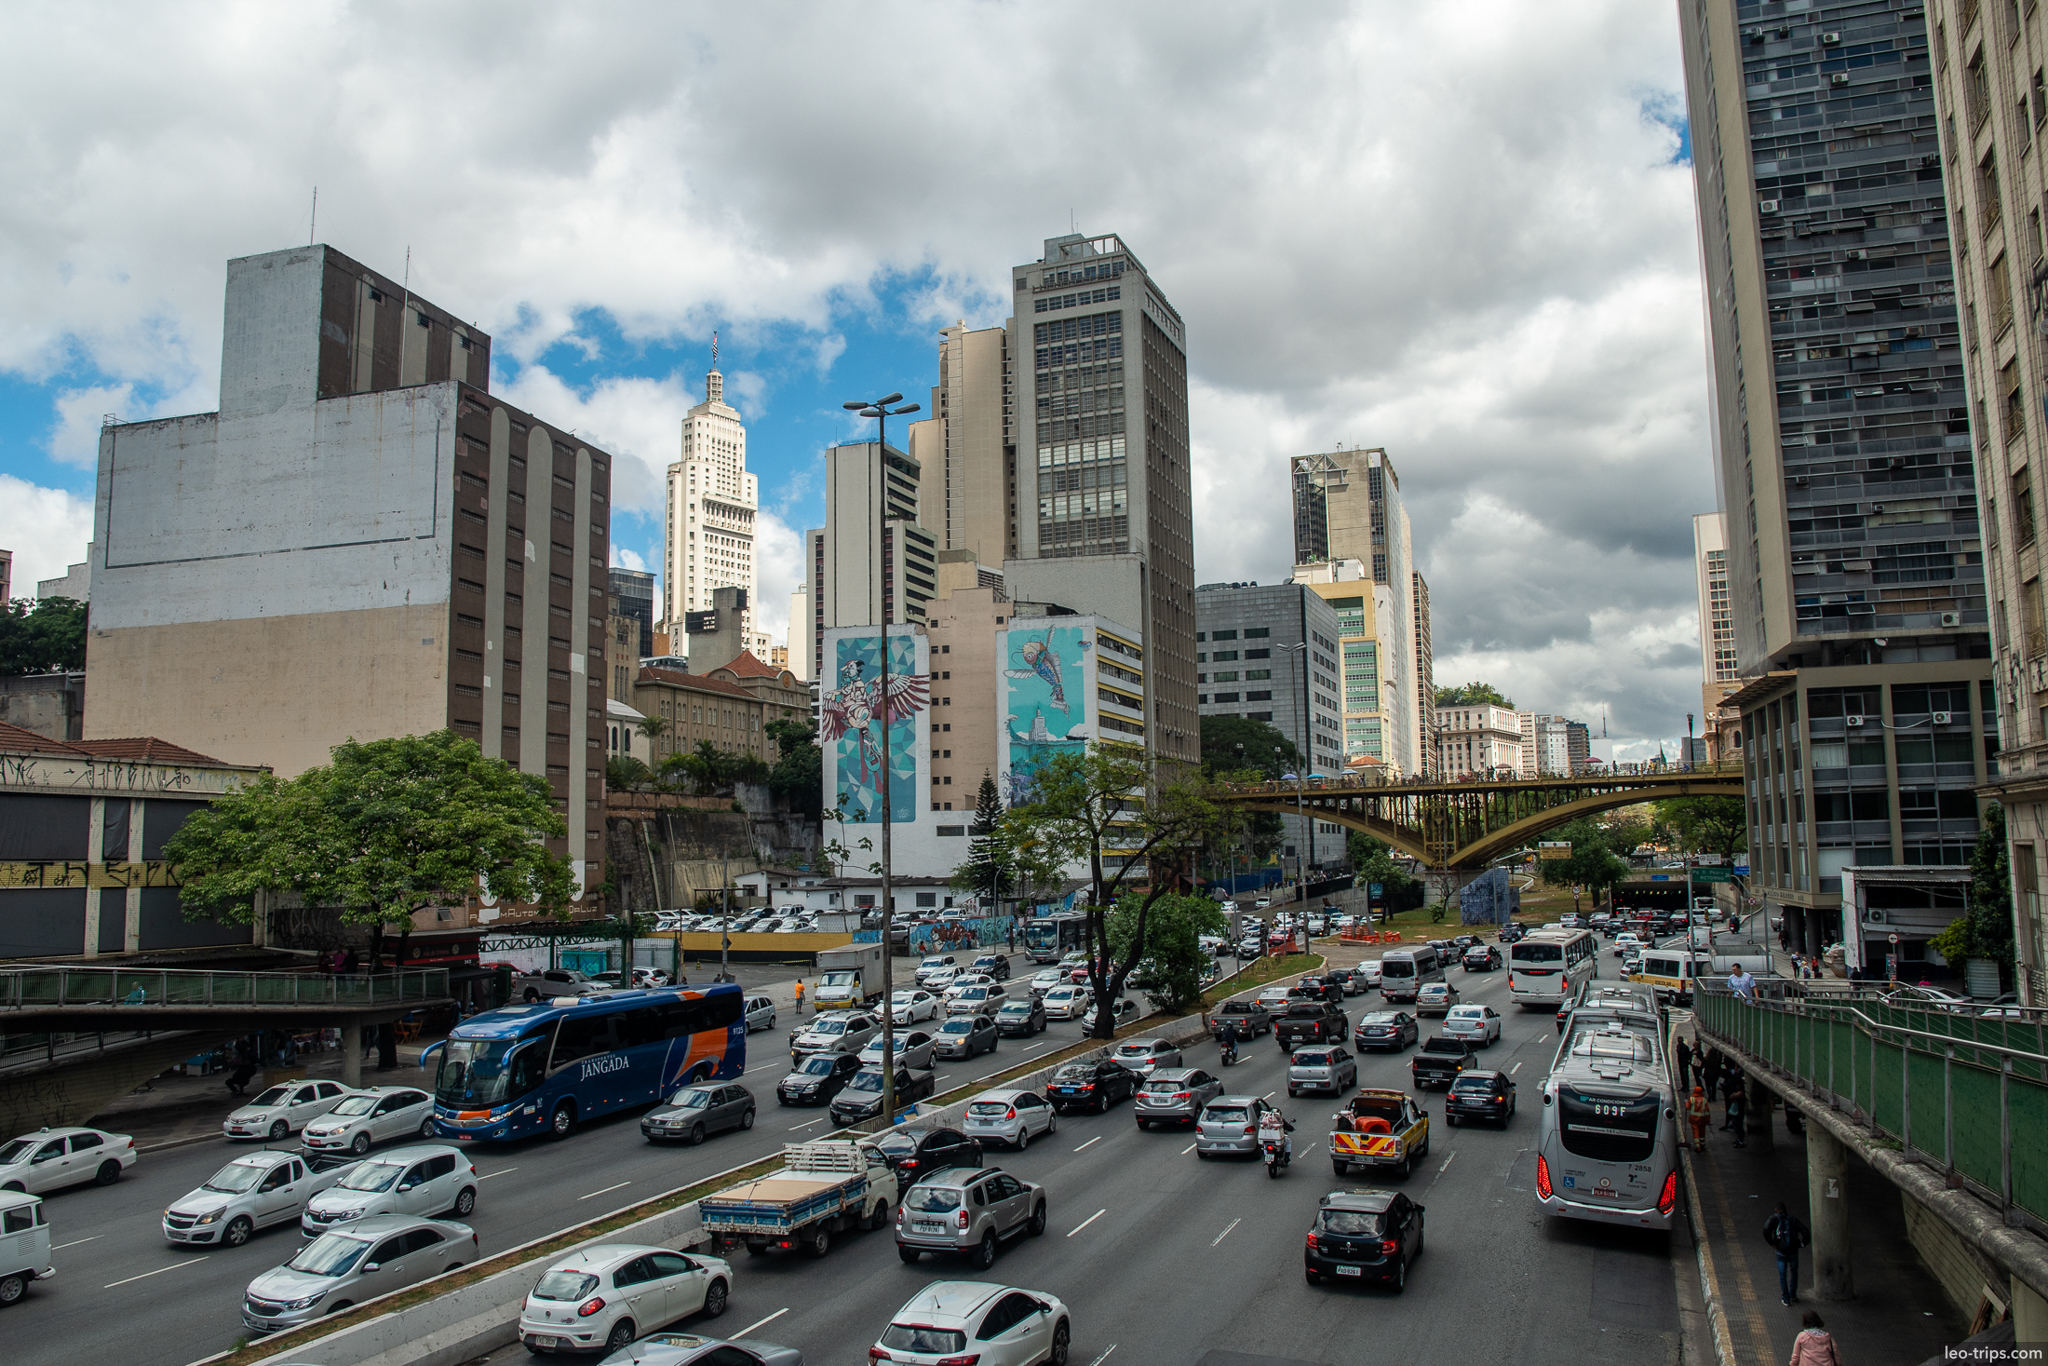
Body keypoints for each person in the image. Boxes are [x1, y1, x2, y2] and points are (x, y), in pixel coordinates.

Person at [1764, 1202, 1811, 1306]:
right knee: (1794, 1272)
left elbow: (1766, 1230)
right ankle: (1793, 1294)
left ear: (1777, 1210)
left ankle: (1786, 1298)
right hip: (1793, 1251)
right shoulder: (1793, 1219)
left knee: (1782, 1274)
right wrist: (1802, 1244)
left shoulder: (1774, 1219)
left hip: (1781, 1251)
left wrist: (1772, 1243)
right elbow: (1805, 1232)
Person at [1686, 1084, 1711, 1151]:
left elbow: (1688, 1107)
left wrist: (1686, 1102)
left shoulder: (1692, 1099)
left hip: (1693, 1119)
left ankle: (1697, 1146)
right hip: (1702, 1119)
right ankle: (1702, 1143)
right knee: (1702, 1132)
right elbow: (1707, 1111)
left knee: (1695, 1132)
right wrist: (1708, 1120)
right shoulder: (1704, 1100)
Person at [1725, 1077, 1748, 1148]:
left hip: (1739, 1112)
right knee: (1737, 1125)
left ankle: (1740, 1140)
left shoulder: (1741, 1093)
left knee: (1738, 1126)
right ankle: (1739, 1139)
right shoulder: (1740, 1092)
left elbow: (1732, 1097)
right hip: (1738, 1111)